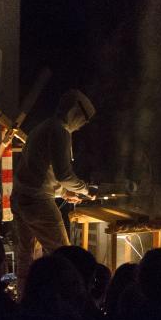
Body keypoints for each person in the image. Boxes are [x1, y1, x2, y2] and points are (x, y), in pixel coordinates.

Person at [11, 89, 96, 282]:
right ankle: (66, 300)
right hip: (37, 203)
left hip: (20, 198)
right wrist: (85, 189)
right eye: (83, 120)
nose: (82, 126)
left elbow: (40, 171)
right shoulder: (60, 131)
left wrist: (63, 192)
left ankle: (26, 300)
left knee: (28, 257)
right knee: (65, 257)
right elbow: (64, 174)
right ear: (75, 112)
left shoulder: (44, 126)